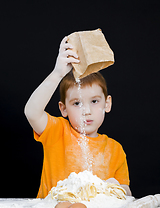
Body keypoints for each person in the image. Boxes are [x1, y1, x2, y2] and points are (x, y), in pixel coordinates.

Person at [24, 36, 132, 198]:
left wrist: (117, 187)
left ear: (107, 104)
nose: (86, 111)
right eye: (77, 103)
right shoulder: (57, 132)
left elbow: (127, 193)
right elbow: (32, 112)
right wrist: (57, 73)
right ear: (63, 108)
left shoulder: (115, 150)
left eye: (94, 101)